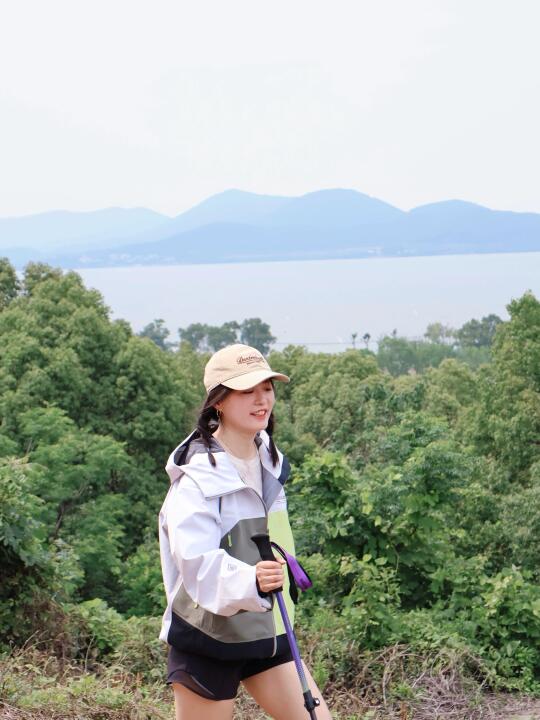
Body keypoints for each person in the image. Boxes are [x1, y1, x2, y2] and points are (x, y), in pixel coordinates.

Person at [158, 343, 331, 720]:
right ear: (218, 401)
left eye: (267, 388)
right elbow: (196, 565)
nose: (261, 399)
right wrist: (251, 580)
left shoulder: (271, 463)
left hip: (266, 631)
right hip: (208, 640)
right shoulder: (195, 480)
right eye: (246, 390)